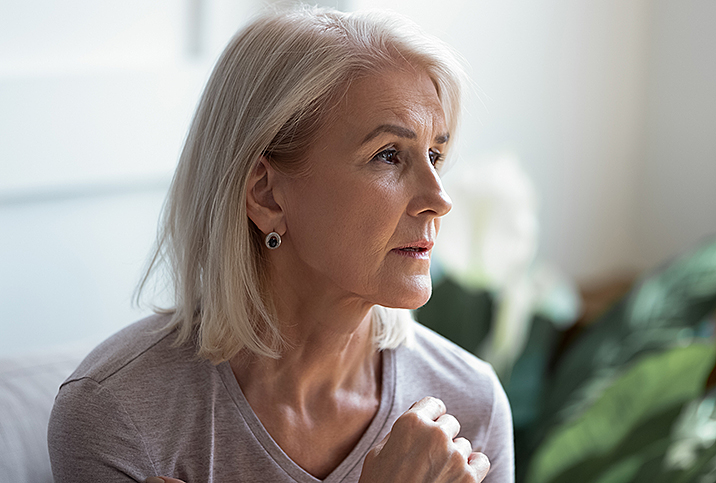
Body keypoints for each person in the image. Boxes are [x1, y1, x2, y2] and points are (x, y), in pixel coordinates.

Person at [48, 6, 514, 482]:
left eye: (435, 154)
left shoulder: (471, 407)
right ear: (266, 193)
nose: (439, 198)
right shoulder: (119, 415)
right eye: (388, 155)